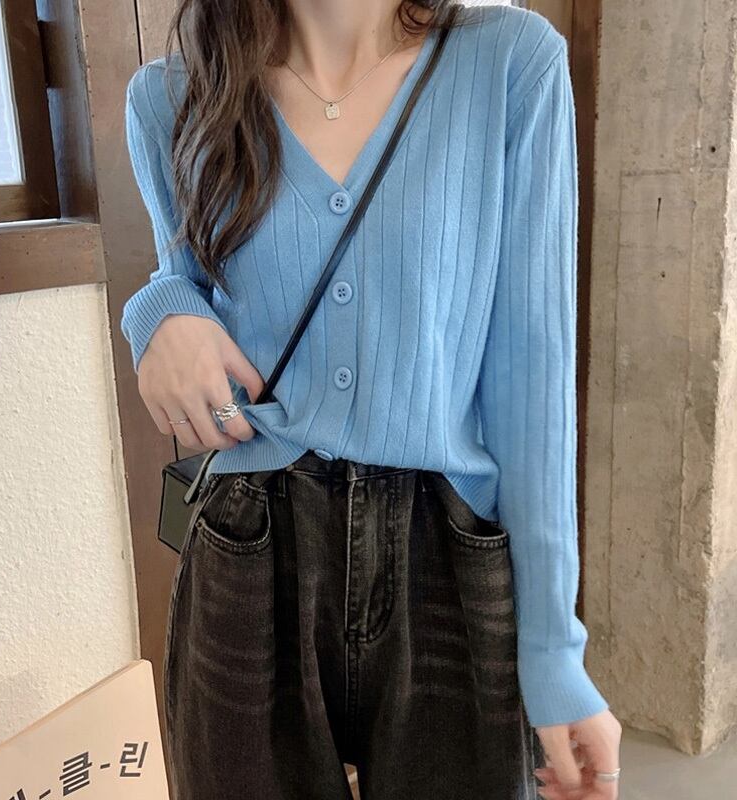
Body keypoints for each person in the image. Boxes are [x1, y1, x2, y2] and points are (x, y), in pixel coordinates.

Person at [121, 1, 623, 798]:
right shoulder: (171, 96)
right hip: (249, 544)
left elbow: (533, 381)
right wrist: (154, 312)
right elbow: (184, 286)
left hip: (446, 550)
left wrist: (554, 650)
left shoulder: (508, 63)